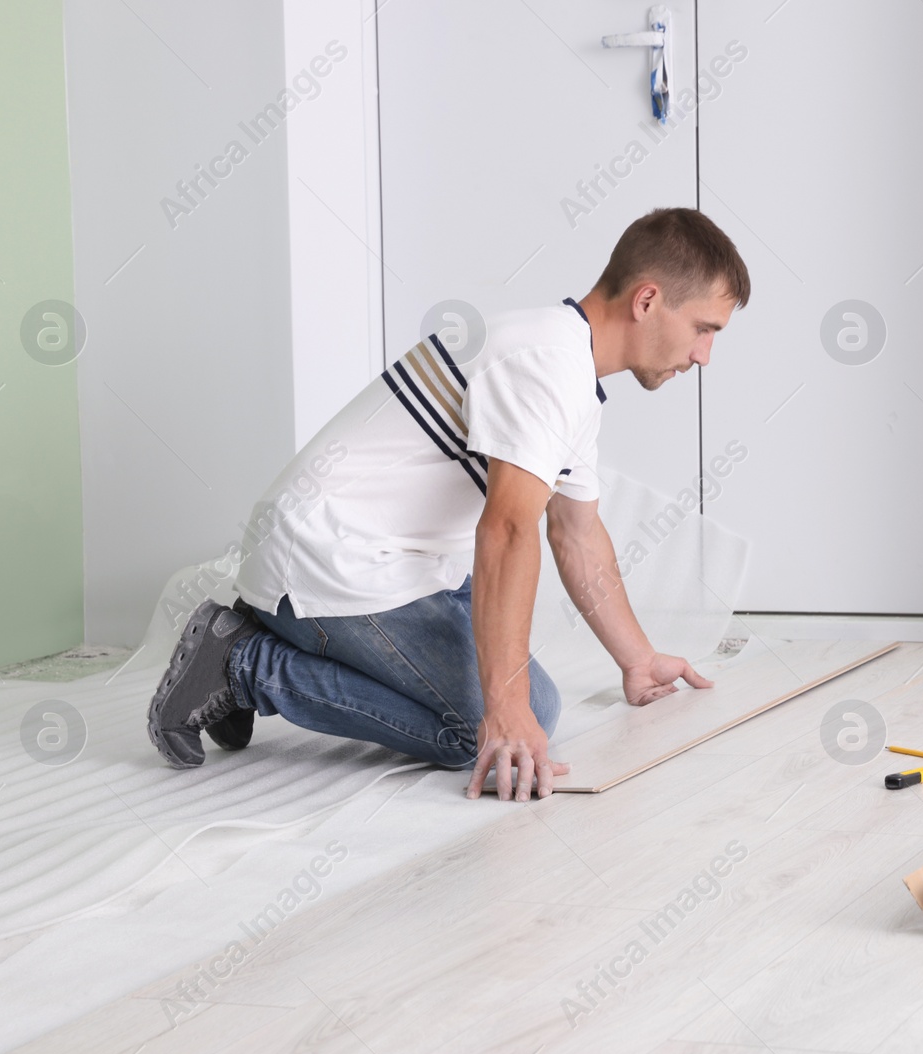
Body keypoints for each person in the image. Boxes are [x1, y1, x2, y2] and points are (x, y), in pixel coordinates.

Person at [146, 207, 751, 801]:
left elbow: (576, 532)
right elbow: (510, 530)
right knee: (488, 727)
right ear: (647, 302)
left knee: (523, 702)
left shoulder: (568, 367)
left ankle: (270, 642)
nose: (704, 356)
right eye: (705, 329)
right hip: (326, 557)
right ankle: (241, 662)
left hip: (392, 565)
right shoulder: (545, 365)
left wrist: (638, 660)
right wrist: (506, 711)